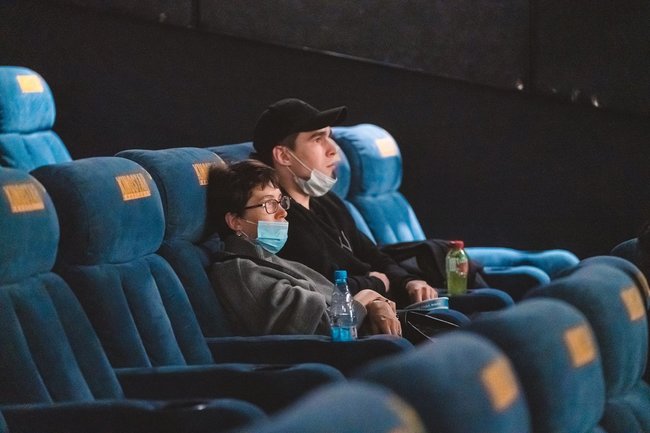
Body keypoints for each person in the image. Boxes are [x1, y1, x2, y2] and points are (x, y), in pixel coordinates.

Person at [250, 98, 440, 308]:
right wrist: (376, 282)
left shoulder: (328, 201)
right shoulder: (279, 220)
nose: (334, 150)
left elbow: (374, 255)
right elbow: (323, 289)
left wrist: (408, 281)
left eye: (329, 137)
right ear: (283, 155)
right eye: (318, 139)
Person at [206, 158, 402, 337]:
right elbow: (326, 328)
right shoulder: (241, 272)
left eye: (280, 201)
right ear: (235, 221)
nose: (283, 212)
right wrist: (368, 296)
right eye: (269, 204)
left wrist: (376, 304)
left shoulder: (269, 258)